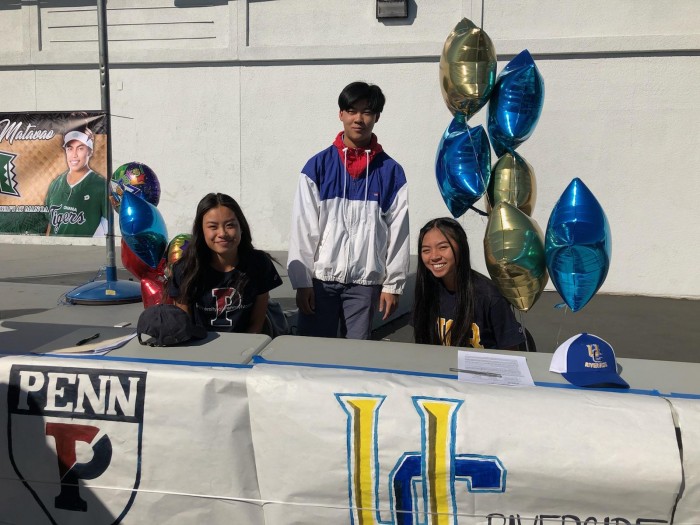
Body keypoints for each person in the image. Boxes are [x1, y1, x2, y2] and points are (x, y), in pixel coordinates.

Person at [287, 81, 410, 339]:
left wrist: (393, 285)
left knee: (357, 358)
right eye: (352, 110)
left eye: (367, 112)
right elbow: (303, 228)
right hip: (321, 282)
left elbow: (399, 233)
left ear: (376, 117)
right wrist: (302, 282)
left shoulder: (391, 172)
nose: (359, 119)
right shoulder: (317, 167)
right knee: (314, 355)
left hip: (365, 285)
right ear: (341, 114)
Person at [169, 192, 283, 333]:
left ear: (241, 227)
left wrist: (242, 352)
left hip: (247, 347)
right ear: (201, 230)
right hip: (201, 349)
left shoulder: (259, 263)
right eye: (213, 226)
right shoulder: (185, 269)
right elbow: (184, 325)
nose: (222, 233)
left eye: (230, 225)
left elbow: (256, 325)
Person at [413, 217, 525, 350]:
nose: (434, 256)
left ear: (461, 247)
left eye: (443, 247)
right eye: (426, 250)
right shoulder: (426, 290)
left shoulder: (490, 296)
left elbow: (511, 353)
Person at [45, 124, 108, 236]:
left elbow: (109, 226)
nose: (74, 155)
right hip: (56, 251)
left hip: (85, 252)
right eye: (70, 148)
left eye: (80, 148)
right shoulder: (55, 184)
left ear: (90, 151)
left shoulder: (101, 185)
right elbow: (50, 225)